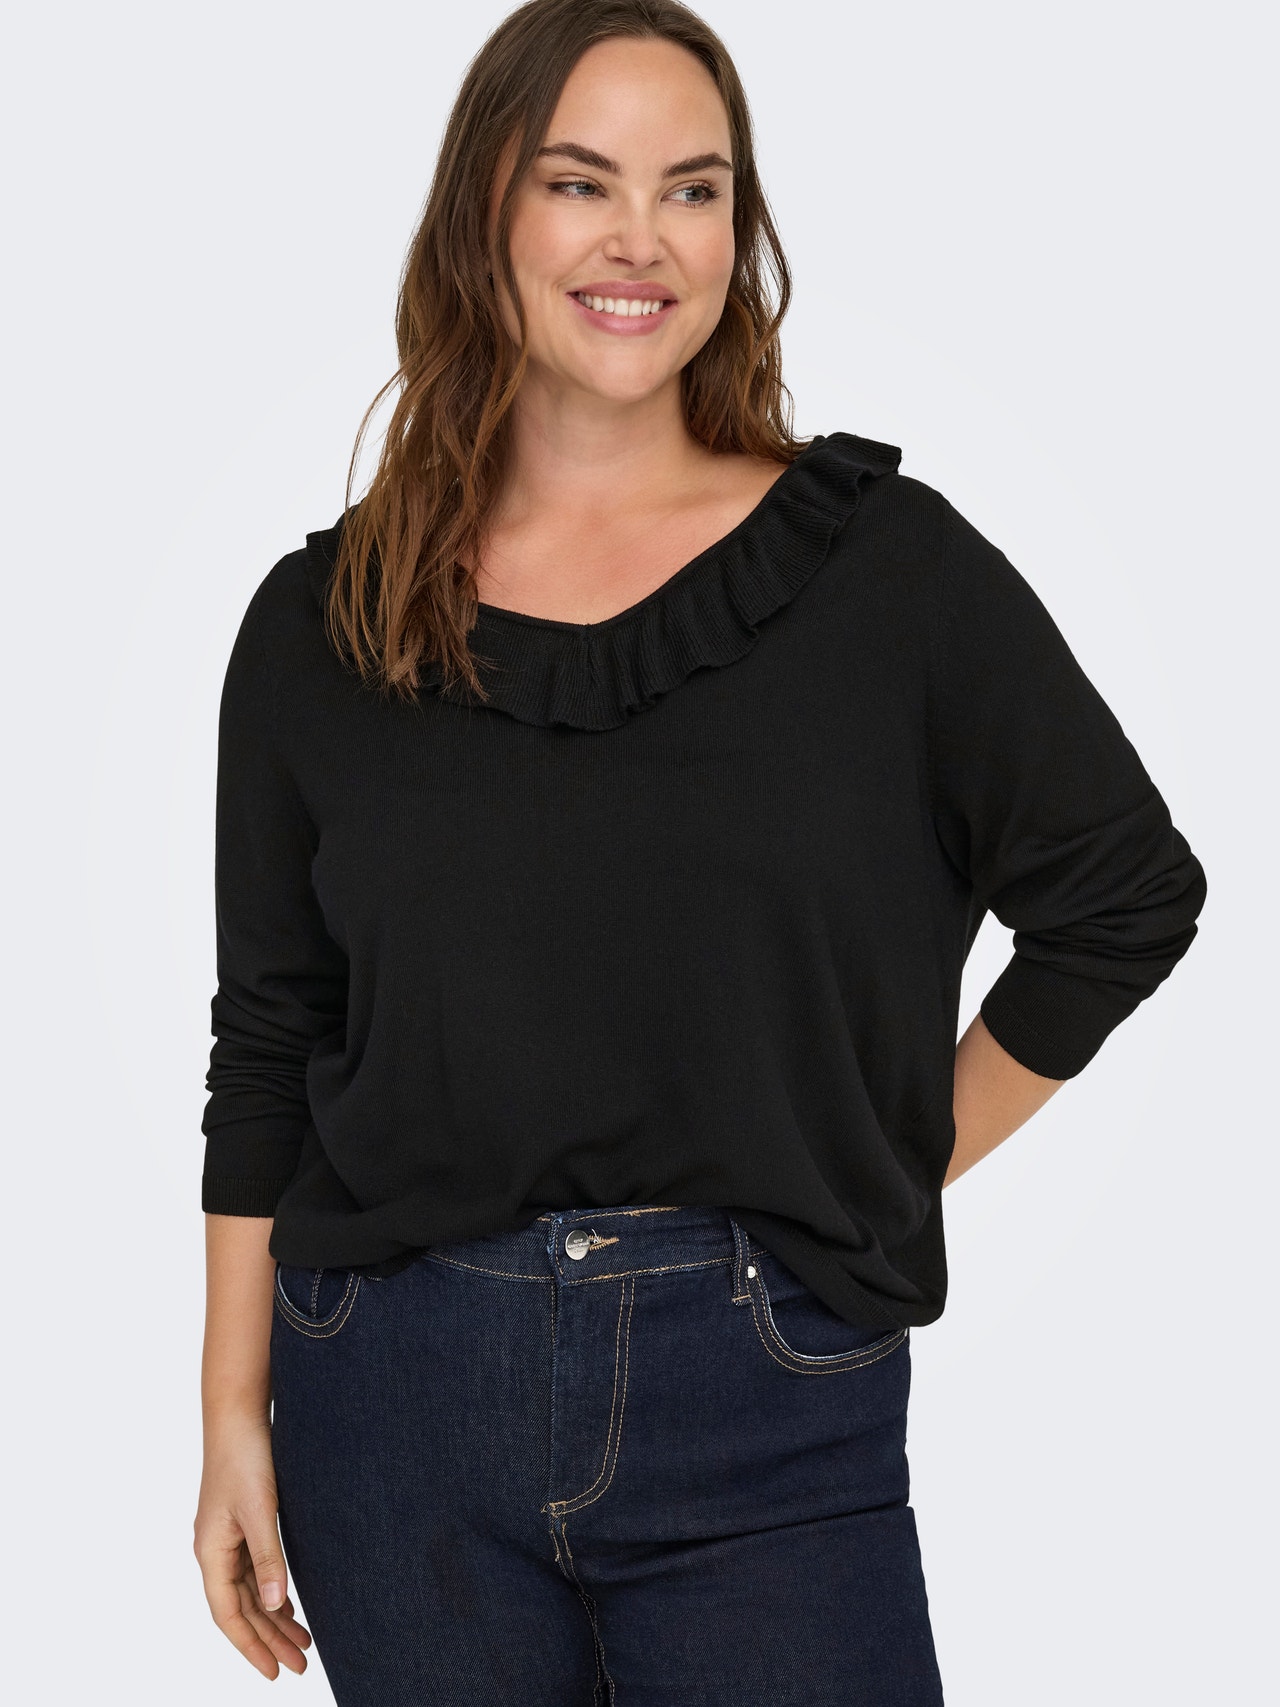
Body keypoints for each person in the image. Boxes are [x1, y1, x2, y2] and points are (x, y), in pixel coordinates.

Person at [191, 2, 1208, 1702]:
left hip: (765, 1393)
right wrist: (232, 1412)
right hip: (393, 1401)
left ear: (741, 229)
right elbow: (272, 1037)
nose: (640, 240)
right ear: (484, 214)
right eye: (579, 182)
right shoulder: (323, 622)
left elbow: (1125, 897)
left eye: (694, 189)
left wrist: (882, 1166)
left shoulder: (888, 579)